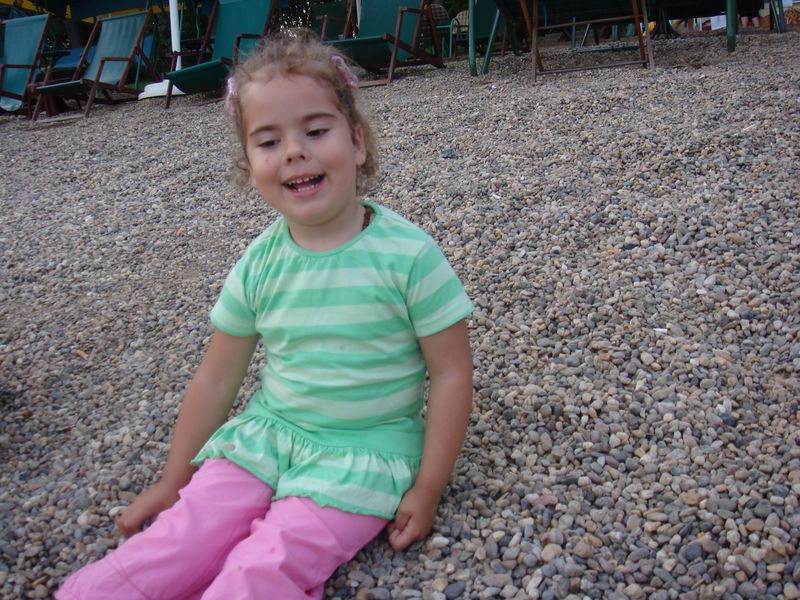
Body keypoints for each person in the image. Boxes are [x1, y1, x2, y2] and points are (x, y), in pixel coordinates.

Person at [57, 31, 474, 600]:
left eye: (316, 131)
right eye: (269, 141)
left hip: (364, 454)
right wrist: (175, 479)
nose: (294, 151)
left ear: (357, 142)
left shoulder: (410, 256)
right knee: (180, 541)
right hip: (266, 438)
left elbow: (451, 374)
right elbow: (216, 379)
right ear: (249, 164)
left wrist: (428, 487)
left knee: (263, 567)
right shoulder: (258, 264)